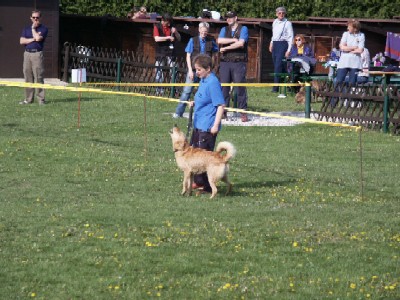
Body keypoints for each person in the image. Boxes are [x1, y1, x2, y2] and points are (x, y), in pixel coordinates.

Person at [189, 54, 225, 194]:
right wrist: (194, 102)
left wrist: (215, 125)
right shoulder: (203, 80)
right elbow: (204, 98)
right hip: (198, 123)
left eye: (199, 70)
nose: (196, 72)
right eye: (195, 69)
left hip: (208, 126)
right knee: (196, 156)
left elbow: (220, 105)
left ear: (208, 69)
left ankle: (208, 187)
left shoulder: (213, 83)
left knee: (205, 159)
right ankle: (198, 182)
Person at [173, 22, 218, 118]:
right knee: (186, 92)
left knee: (205, 93)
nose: (204, 33)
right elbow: (188, 55)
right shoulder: (192, 40)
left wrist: (213, 66)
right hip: (194, 71)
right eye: (202, 31)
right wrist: (190, 70)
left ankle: (204, 113)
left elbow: (215, 54)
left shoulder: (211, 41)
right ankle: (178, 112)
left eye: (206, 32)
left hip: (206, 72)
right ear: (199, 30)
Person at [217, 11, 249, 122]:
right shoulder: (224, 29)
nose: (228, 20)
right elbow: (220, 40)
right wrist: (233, 40)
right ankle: (223, 111)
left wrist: (225, 48)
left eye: (230, 17)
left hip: (238, 62)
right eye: (227, 18)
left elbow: (241, 43)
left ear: (236, 18)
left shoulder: (243, 29)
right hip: (225, 62)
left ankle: (243, 112)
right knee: (224, 87)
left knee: (240, 87)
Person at [19, 10, 48, 105]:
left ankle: (41, 100)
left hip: (37, 54)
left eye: (37, 17)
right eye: (34, 17)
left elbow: (39, 38)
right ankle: (28, 99)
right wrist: (33, 39)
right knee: (28, 77)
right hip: (27, 54)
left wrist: (33, 29)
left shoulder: (43, 28)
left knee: (38, 76)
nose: (35, 19)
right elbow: (22, 41)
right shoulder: (25, 28)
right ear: (31, 18)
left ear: (40, 18)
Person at [153, 13, 181, 94]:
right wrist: (168, 37)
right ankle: (159, 90)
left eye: (169, 22)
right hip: (160, 51)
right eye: (167, 22)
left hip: (171, 52)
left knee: (174, 71)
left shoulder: (172, 26)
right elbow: (157, 39)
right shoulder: (157, 26)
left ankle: (174, 90)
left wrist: (176, 32)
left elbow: (179, 38)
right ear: (163, 20)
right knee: (159, 71)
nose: (168, 24)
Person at [269, 7, 293, 93]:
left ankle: (275, 88)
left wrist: (289, 49)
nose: (281, 15)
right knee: (277, 64)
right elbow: (273, 34)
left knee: (278, 65)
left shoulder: (288, 23)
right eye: (279, 13)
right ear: (276, 14)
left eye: (283, 13)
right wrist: (271, 43)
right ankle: (289, 82)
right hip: (275, 43)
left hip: (283, 44)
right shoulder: (274, 22)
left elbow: (290, 37)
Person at [335, 19, 365, 85]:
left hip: (355, 62)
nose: (347, 28)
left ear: (355, 28)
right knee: (338, 81)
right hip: (344, 61)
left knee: (352, 82)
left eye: (349, 26)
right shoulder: (345, 34)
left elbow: (360, 50)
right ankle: (336, 95)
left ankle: (350, 95)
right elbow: (342, 47)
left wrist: (347, 48)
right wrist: (354, 48)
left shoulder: (361, 35)